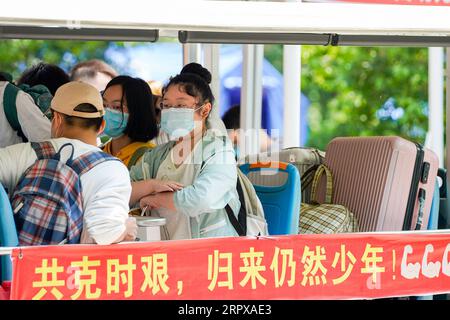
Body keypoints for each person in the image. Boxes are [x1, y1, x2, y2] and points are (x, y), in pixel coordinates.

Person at [0, 81, 136, 245]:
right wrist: (126, 229)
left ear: (56, 119)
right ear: (102, 125)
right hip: (70, 268)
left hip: (19, 266)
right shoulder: (112, 169)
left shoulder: (25, 153)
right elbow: (103, 234)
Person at [129, 63, 241, 240]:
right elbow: (121, 191)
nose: (172, 112)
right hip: (165, 257)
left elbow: (202, 198)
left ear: (204, 110)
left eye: (181, 106)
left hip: (210, 255)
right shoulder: (157, 156)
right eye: (166, 106)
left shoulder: (218, 151)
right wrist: (150, 185)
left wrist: (154, 199)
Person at [101, 76, 159, 169]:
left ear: (137, 111)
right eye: (104, 105)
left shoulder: (148, 158)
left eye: (116, 107)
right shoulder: (100, 151)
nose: (107, 112)